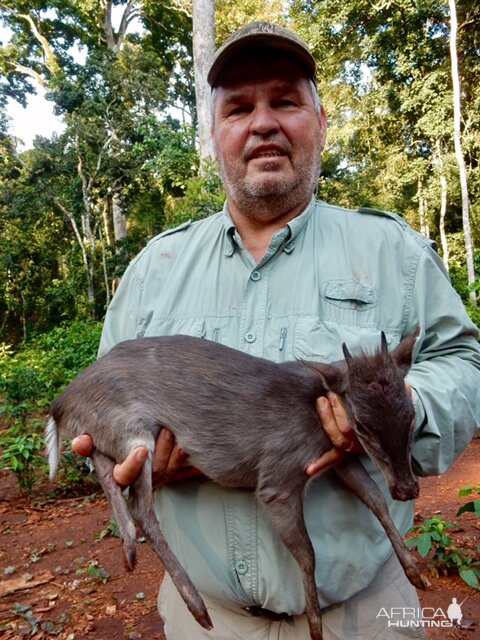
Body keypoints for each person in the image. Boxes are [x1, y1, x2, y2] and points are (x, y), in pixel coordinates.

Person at [72, 22, 480, 640]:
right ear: (213, 136)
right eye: (238, 108)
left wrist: (406, 404)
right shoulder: (154, 270)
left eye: (284, 101)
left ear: (320, 121)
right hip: (204, 623)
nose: (262, 123)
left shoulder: (389, 249)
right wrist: (128, 456)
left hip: (365, 616)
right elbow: (101, 412)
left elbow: (462, 360)